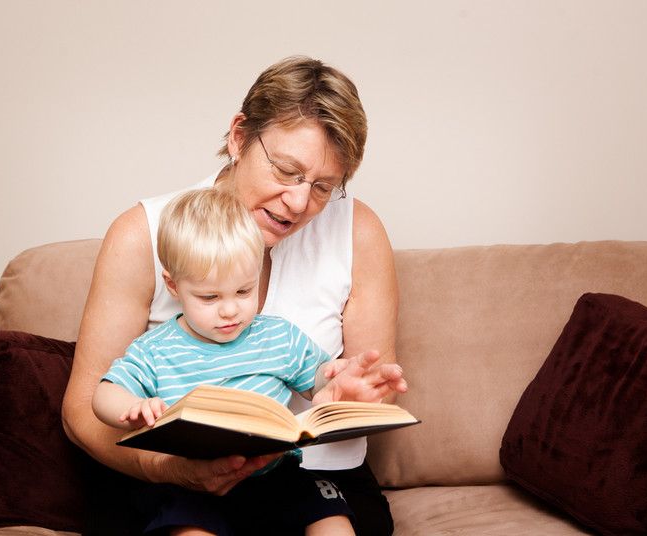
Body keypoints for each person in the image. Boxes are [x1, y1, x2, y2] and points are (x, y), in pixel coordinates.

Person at [62, 55, 403, 535]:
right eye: (286, 171)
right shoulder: (143, 234)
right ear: (239, 137)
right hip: (173, 478)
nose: (301, 203)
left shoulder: (358, 229)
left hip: (310, 476)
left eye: (325, 186)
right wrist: (172, 470)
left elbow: (372, 387)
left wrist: (349, 398)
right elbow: (83, 408)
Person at [92, 187, 401, 535]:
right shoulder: (156, 349)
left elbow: (319, 383)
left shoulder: (278, 336)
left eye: (243, 291)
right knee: (184, 522)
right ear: (173, 286)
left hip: (276, 474)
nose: (230, 310)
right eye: (209, 297)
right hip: (192, 481)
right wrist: (134, 406)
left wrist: (336, 385)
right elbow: (103, 394)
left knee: (330, 513)